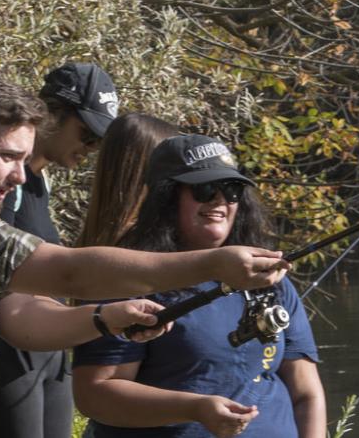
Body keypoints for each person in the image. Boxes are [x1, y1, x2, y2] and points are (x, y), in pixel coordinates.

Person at [0, 73, 290, 438]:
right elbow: (67, 273)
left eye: (25, 159)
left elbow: (19, 317)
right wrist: (212, 263)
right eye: (9, 156)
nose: (21, 176)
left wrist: (107, 318)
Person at [72, 134, 325, 438]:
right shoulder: (128, 279)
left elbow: (306, 394)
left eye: (231, 190)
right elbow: (95, 394)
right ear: (167, 198)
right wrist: (195, 408)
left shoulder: (269, 281)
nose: (219, 199)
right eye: (204, 188)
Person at [0, 62, 162, 438]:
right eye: (87, 134)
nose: (91, 148)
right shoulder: (4, 182)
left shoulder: (40, 181)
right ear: (51, 113)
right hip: (9, 353)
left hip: (53, 352)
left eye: (99, 141)